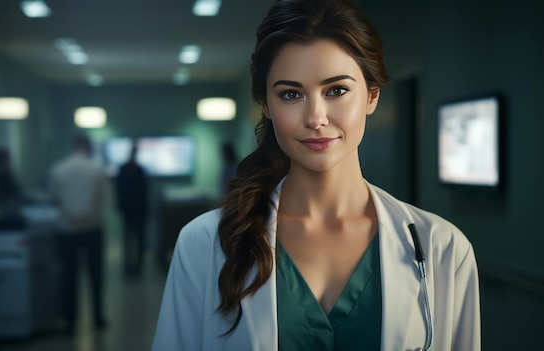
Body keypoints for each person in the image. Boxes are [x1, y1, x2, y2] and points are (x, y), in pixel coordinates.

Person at [152, 0, 481, 350]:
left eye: (336, 90)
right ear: (266, 104)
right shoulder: (204, 245)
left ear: (371, 96)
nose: (316, 117)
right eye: (291, 94)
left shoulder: (442, 248)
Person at [49, 135, 110, 333]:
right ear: (87, 147)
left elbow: (53, 199)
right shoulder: (98, 170)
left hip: (67, 229)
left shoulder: (58, 169)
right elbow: (106, 199)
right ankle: (98, 317)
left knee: (69, 276)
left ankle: (70, 321)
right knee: (96, 275)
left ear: (74, 146)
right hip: (93, 227)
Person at [114, 143, 149, 277]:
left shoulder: (139, 170)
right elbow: (119, 190)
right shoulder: (124, 169)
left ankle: (138, 267)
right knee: (128, 239)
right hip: (129, 211)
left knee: (139, 240)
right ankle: (128, 266)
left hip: (139, 211)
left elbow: (144, 192)